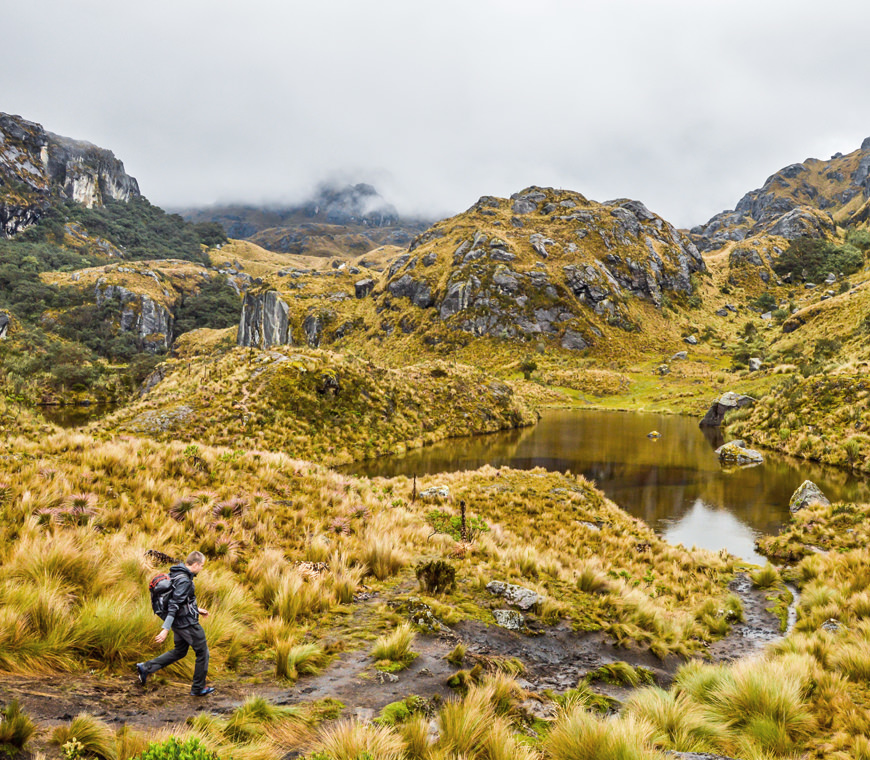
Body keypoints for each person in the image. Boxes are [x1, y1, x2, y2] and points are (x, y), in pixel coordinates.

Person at [136, 551, 214, 696]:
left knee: (180, 651)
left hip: (179, 622)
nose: (202, 568)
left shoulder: (176, 573)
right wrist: (165, 629)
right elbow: (174, 605)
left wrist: (197, 610)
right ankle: (198, 688)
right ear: (196, 564)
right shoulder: (184, 580)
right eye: (202, 566)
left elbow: (180, 600)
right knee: (203, 652)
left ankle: (146, 668)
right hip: (186, 623)